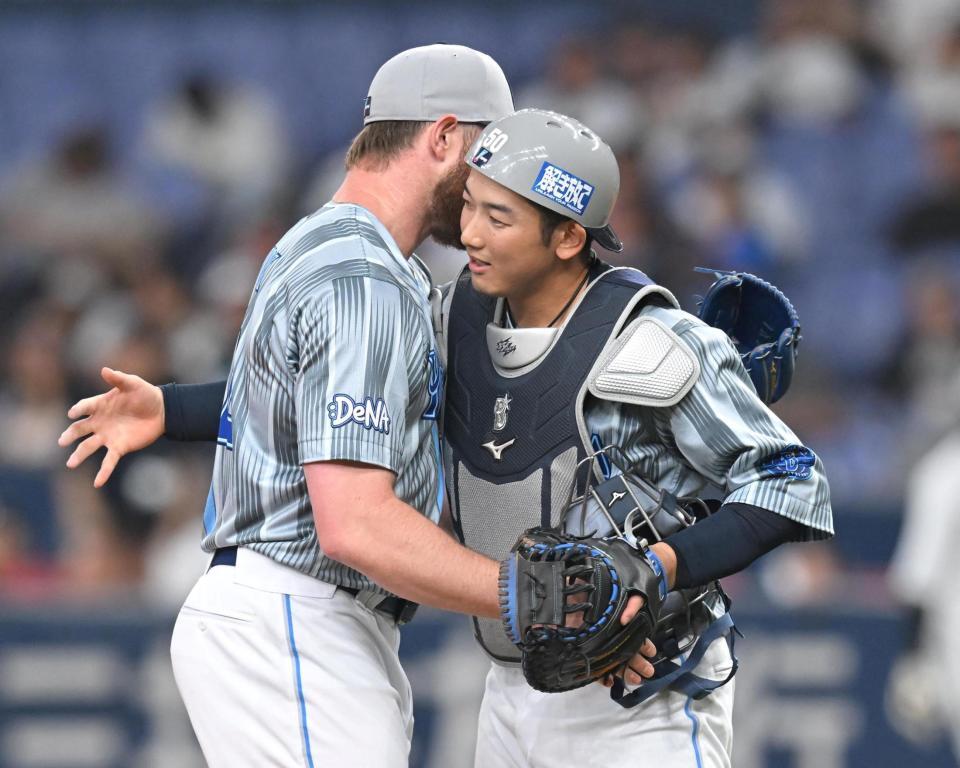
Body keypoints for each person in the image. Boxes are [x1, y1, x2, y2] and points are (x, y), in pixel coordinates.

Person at [61, 108, 833, 767]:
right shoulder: (454, 319)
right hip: (512, 686)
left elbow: (794, 481)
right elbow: (333, 398)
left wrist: (662, 565)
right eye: (470, 206)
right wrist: (171, 409)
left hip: (644, 693)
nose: (469, 233)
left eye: (499, 218)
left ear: (568, 237)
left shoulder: (653, 340)